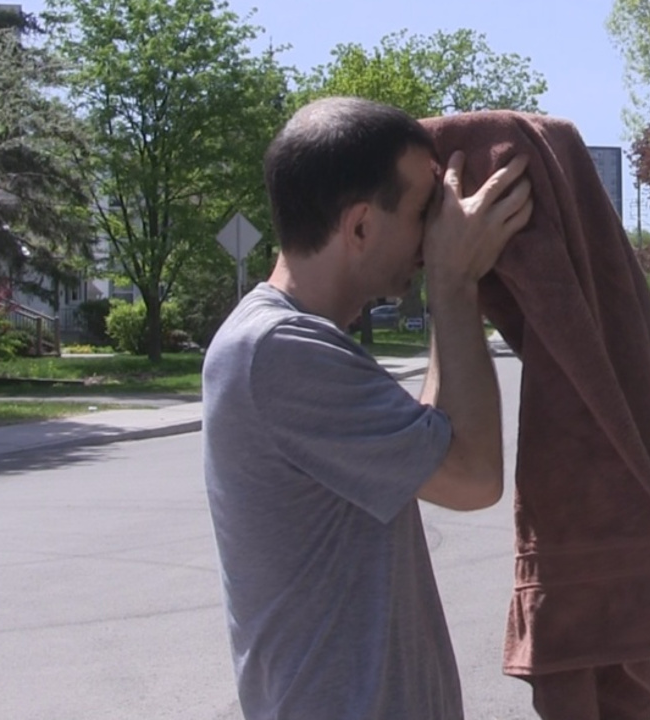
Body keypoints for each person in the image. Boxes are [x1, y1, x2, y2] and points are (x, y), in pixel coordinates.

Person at [201, 96, 533, 720]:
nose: (432, 234)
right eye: (421, 213)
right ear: (358, 227)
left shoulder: (289, 341)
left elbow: (431, 441)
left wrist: (450, 286)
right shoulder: (279, 351)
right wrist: (453, 283)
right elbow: (472, 476)